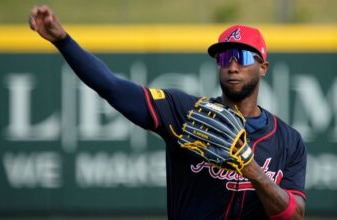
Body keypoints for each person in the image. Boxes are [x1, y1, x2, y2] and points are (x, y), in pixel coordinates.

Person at [29, 5, 306, 220]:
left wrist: (252, 170)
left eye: (243, 57)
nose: (232, 66)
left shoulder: (288, 141)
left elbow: (294, 215)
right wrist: (63, 41)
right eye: (224, 57)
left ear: (263, 67)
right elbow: (113, 88)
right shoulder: (187, 113)